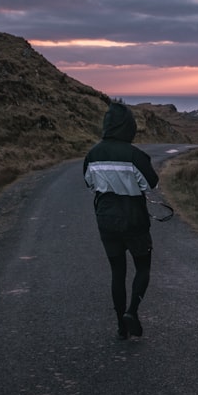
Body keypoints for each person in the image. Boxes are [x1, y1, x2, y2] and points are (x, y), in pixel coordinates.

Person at [83, 102, 160, 340]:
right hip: (134, 219)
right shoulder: (135, 155)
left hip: (106, 219)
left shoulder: (92, 154)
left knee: (117, 272)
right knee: (143, 267)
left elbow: (89, 183)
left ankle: (120, 327)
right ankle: (132, 311)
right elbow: (151, 184)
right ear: (129, 126)